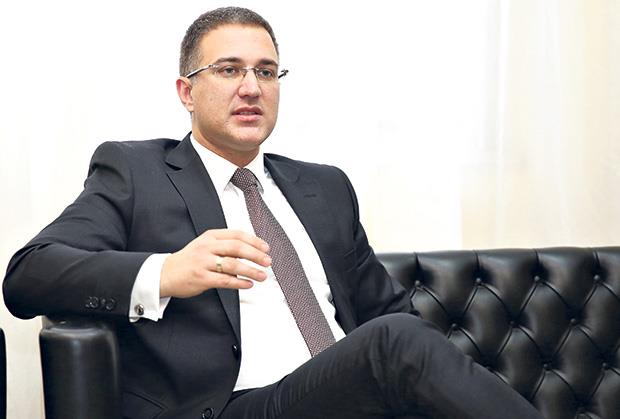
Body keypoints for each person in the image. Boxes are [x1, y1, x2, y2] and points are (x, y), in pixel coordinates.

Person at [3, 7, 544, 419]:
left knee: (398, 336)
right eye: (229, 69)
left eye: (266, 72)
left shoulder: (324, 187)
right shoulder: (135, 172)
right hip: (235, 406)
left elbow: (388, 313)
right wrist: (166, 272)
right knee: (394, 341)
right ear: (186, 92)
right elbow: (28, 275)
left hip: (351, 397)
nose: (251, 87)